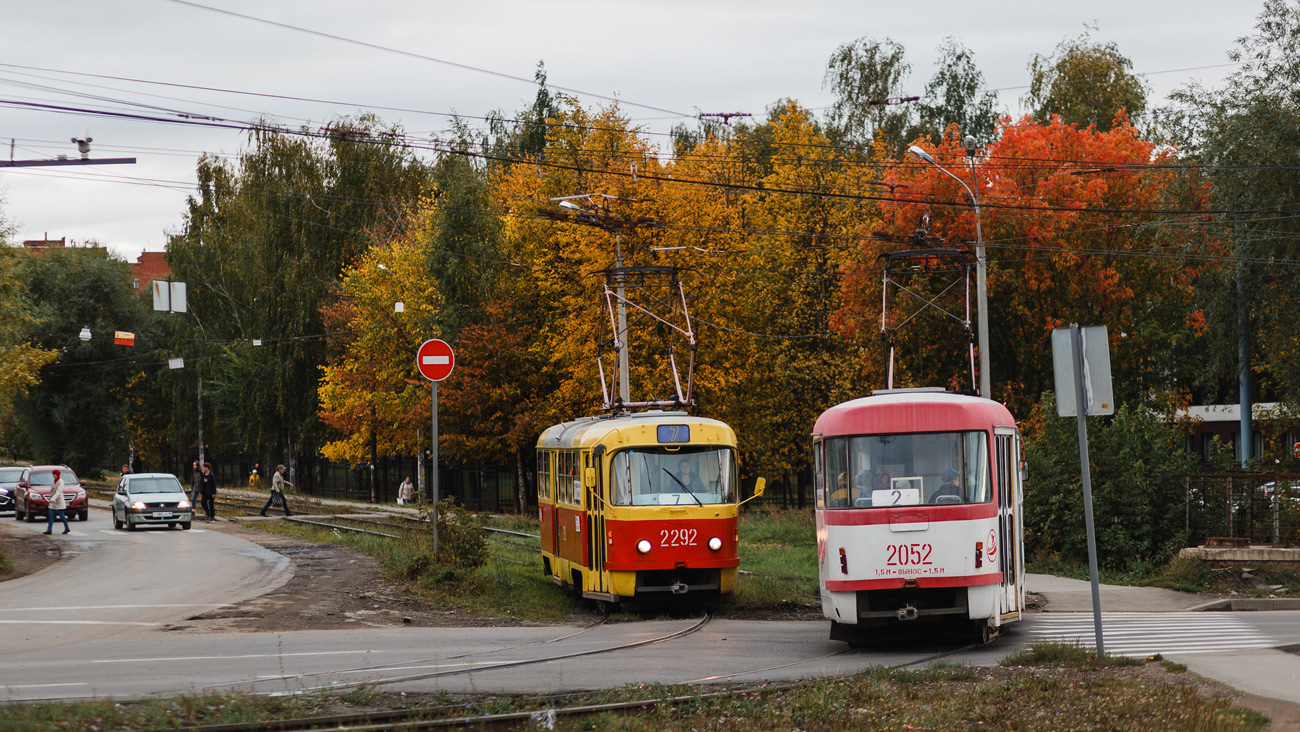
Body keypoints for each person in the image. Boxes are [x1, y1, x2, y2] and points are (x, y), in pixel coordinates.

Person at [43, 468, 70, 535]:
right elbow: (52, 491)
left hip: (59, 501)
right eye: (53, 474)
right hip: (52, 501)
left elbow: (58, 492)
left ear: (58, 475)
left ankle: (67, 528)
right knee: (50, 515)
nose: (54, 475)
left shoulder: (61, 482)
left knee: (61, 515)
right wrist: (50, 499)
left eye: (55, 474)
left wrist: (53, 499)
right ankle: (49, 530)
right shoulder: (54, 481)